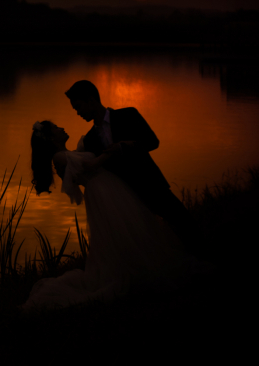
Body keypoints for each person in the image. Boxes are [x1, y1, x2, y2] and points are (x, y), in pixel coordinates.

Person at [22, 121, 201, 310]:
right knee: (118, 232)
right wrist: (112, 151)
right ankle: (127, 274)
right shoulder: (59, 157)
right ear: (51, 138)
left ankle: (138, 267)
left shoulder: (71, 152)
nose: (62, 128)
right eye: (57, 128)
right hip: (102, 194)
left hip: (110, 188)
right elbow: (90, 166)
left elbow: (87, 160)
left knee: (130, 229)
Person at [65, 80, 193, 247]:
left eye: (79, 107)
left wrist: (125, 146)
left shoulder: (128, 115)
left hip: (152, 184)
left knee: (184, 224)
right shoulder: (89, 140)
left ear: (91, 101)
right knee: (149, 242)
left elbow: (152, 142)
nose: (78, 113)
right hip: (126, 198)